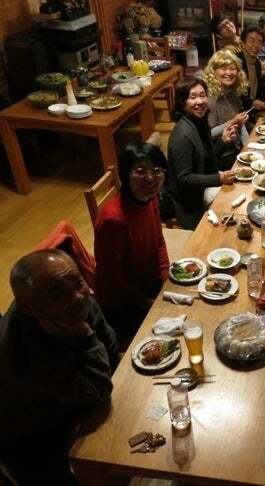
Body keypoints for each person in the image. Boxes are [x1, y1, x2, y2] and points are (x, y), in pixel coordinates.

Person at [0, 249, 119, 485]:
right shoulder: (21, 352)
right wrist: (86, 338)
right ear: (29, 307)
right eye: (57, 293)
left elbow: (112, 352)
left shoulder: (74, 300)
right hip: (28, 431)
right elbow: (98, 390)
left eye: (78, 282)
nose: (77, 296)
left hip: (72, 394)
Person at [94, 142, 169, 345]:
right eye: (140, 171)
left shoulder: (150, 199)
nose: (150, 178)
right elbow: (112, 278)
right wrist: (145, 303)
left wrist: (165, 277)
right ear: (125, 175)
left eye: (156, 170)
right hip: (122, 305)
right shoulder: (113, 220)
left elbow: (158, 240)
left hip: (148, 283)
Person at [166, 77, 237, 229]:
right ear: (182, 103)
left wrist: (223, 141)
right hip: (191, 202)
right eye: (192, 97)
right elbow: (185, 179)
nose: (199, 101)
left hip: (203, 187)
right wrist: (218, 178)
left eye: (202, 95)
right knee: (233, 202)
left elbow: (206, 158)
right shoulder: (182, 135)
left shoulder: (199, 122)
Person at [204, 49, 251, 169]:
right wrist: (233, 121)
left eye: (232, 68)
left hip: (237, 149)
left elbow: (241, 126)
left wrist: (249, 148)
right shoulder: (210, 99)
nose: (228, 73)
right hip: (221, 157)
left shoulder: (231, 93)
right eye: (223, 69)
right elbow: (209, 134)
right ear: (213, 71)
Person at [236, 26, 265, 112]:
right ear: (243, 43)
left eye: (259, 42)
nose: (256, 45)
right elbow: (233, 93)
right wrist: (250, 103)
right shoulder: (236, 63)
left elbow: (257, 84)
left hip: (253, 110)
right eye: (252, 41)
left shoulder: (257, 63)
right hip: (239, 112)